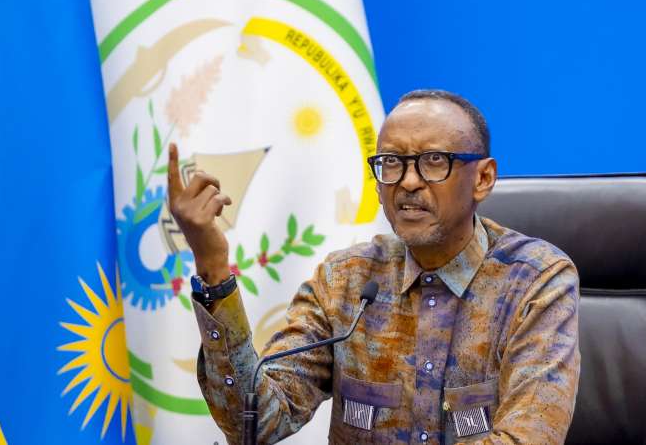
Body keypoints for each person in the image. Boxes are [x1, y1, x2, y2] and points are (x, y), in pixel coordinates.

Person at [168, 89, 580, 444]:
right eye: (392, 162)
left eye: (434, 161)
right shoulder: (344, 282)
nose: (408, 182)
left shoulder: (536, 281)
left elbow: (528, 438)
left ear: (483, 178)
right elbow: (256, 423)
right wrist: (212, 264)